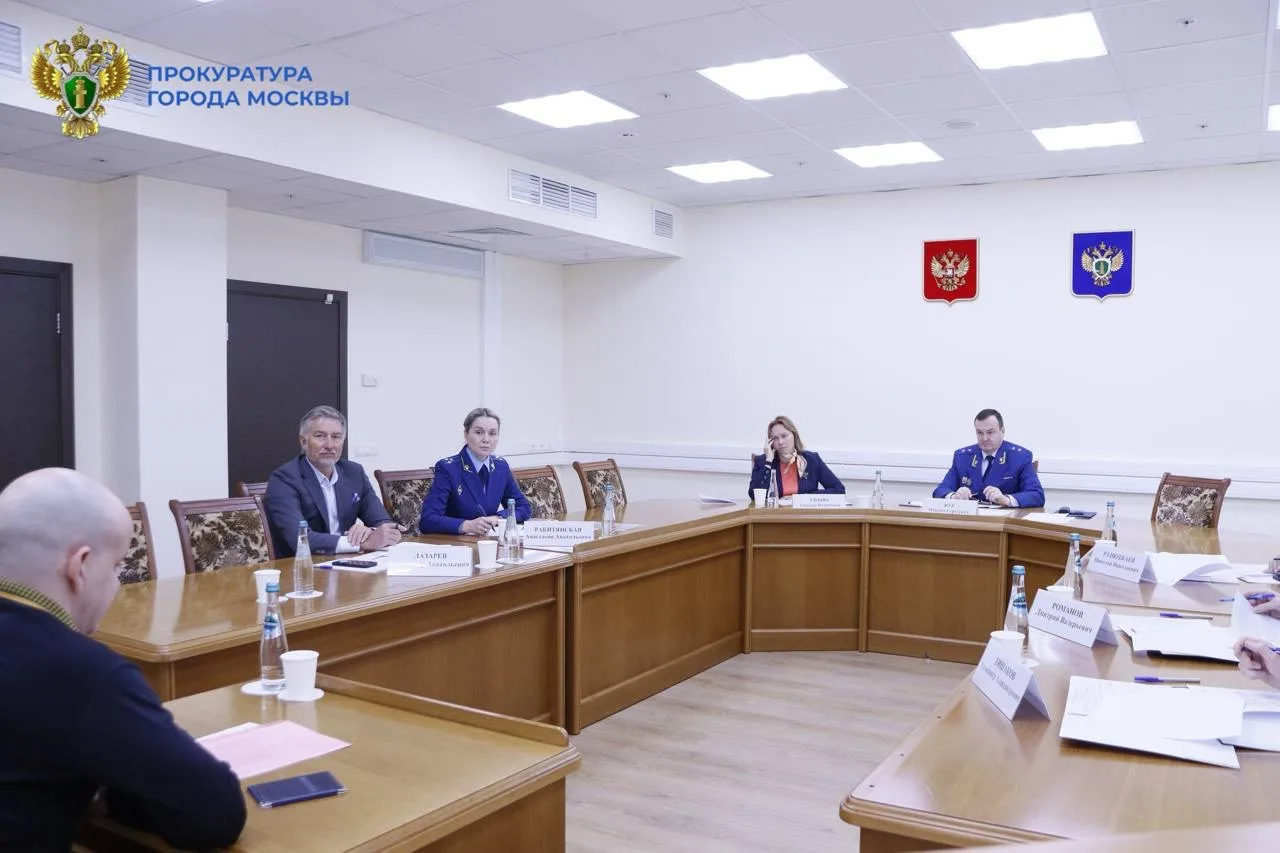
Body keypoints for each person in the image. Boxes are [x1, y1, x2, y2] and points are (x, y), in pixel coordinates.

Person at [0, 468, 246, 852]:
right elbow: (215, 814)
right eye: (116, 567)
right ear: (80, 566)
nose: (117, 584)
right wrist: (116, 788)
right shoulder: (80, 672)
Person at [264, 405, 402, 555]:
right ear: (303, 442)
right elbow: (300, 539)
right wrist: (361, 543)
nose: (329, 445)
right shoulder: (284, 479)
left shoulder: (354, 472)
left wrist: (370, 532)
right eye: (320, 436)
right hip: (301, 564)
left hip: (346, 561)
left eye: (336, 437)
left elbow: (383, 522)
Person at [420, 408, 532, 535]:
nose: (486, 439)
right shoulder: (448, 468)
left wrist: (498, 518)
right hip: (458, 542)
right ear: (466, 434)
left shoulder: (500, 466)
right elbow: (427, 520)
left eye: (492, 433)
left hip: (488, 541)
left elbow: (523, 508)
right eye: (479, 432)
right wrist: (466, 525)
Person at [932, 408, 1044, 508]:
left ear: (1002, 431)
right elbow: (940, 490)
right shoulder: (962, 457)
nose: (984, 438)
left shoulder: (1020, 457)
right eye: (979, 433)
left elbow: (1036, 495)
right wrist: (954, 496)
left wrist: (1006, 499)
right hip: (969, 520)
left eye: (990, 432)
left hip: (1002, 521)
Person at [747, 415, 845, 499]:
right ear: (770, 442)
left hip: (804, 513)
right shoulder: (762, 461)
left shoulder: (811, 460)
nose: (780, 442)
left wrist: (803, 498)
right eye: (775, 438)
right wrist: (768, 461)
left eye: (784, 436)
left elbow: (839, 490)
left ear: (794, 435)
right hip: (774, 513)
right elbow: (754, 496)